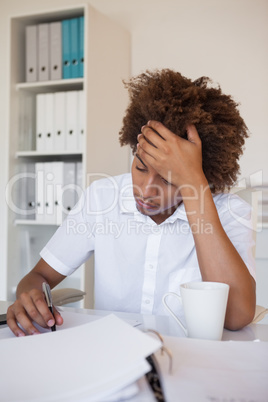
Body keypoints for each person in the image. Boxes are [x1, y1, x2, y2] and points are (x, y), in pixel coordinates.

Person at [7, 69, 256, 336]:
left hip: (192, 358)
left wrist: (195, 186)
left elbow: (237, 315)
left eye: (169, 179)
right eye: (139, 167)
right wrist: (30, 298)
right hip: (114, 353)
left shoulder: (230, 211)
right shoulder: (103, 197)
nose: (146, 190)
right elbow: (37, 277)